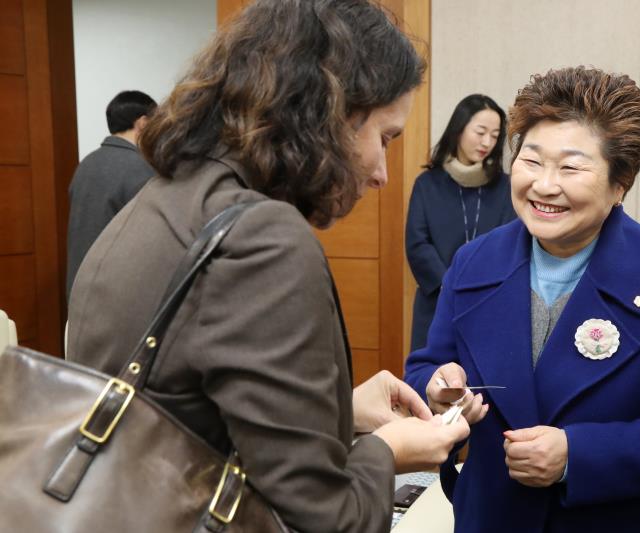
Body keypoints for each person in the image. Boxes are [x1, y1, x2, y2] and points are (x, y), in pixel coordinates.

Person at [66, 2, 469, 532]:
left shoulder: (165, 198)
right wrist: (387, 452)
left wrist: (338, 413)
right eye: (385, 138)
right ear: (329, 112)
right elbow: (323, 519)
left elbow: (189, 417)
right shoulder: (262, 238)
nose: (381, 174)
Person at [404, 66, 640, 533]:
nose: (544, 185)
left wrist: (576, 456)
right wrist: (439, 391)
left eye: (571, 167)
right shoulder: (472, 263)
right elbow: (426, 366)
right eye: (531, 160)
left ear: (619, 184)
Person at [406, 94, 515, 350]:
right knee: (431, 379)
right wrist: (449, 285)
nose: (487, 142)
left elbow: (509, 242)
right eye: (480, 132)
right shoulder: (427, 184)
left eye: (495, 134)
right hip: (435, 302)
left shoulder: (506, 187)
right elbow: (417, 243)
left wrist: (476, 288)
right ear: (459, 129)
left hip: (489, 301)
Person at [66, 90, 156, 298]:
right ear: (143, 123)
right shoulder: (141, 168)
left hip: (79, 287)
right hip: (117, 293)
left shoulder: (86, 164)